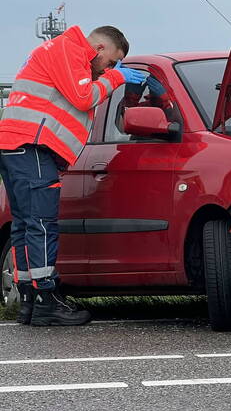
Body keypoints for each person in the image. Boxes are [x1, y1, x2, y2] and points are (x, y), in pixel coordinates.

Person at [0, 25, 145, 326]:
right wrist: (117, 78)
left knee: (25, 224)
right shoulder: (71, 51)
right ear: (100, 49)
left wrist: (109, 76)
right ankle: (46, 300)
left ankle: (29, 298)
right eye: (109, 63)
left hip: (16, 146)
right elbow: (82, 97)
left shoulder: (58, 51)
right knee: (41, 223)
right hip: (33, 145)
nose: (108, 69)